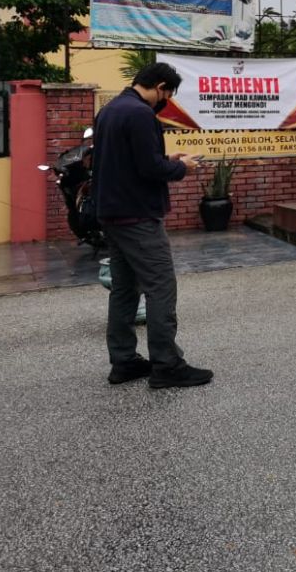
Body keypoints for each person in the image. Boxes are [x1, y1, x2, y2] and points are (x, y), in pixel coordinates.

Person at [91, 62, 208, 389]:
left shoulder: (111, 109)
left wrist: (167, 159)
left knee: (125, 289)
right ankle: (167, 364)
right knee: (160, 286)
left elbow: (126, 160)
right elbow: (148, 169)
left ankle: (124, 361)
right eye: (167, 95)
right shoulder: (141, 114)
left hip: (111, 213)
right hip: (137, 215)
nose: (165, 101)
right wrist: (181, 167)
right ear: (160, 87)